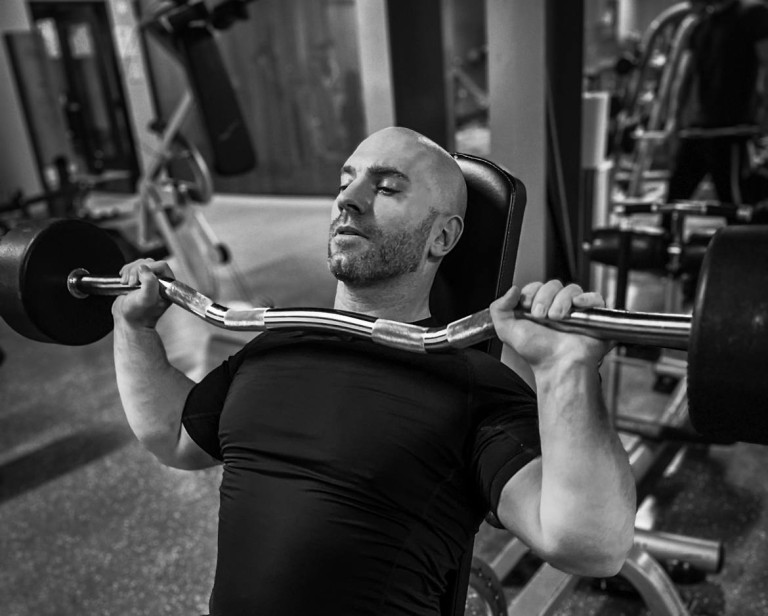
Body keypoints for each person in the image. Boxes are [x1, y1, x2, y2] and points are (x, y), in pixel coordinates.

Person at [111, 127, 636, 615]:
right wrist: (134, 329)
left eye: (385, 188)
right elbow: (176, 436)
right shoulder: (280, 343)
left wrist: (566, 370)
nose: (348, 199)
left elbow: (592, 545)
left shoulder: (472, 387)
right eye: (346, 181)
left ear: (442, 237)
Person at [667, 0, 768, 207]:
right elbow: (685, 78)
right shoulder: (701, 25)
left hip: (733, 131)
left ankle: (743, 239)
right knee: (673, 201)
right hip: (698, 130)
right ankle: (666, 238)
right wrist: (674, 121)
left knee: (734, 205)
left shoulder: (752, 14)